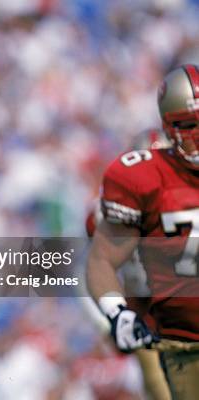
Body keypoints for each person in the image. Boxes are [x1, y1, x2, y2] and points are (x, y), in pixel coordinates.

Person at [87, 64, 199, 400]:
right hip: (153, 309)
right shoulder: (133, 187)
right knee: (155, 372)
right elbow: (102, 259)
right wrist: (118, 313)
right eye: (187, 126)